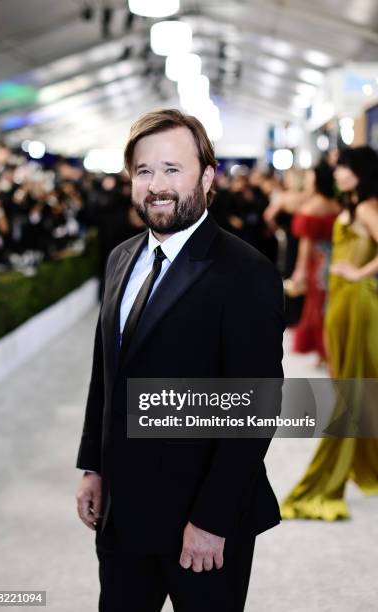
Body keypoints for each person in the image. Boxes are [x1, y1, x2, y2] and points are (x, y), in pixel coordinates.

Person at [75, 109, 284, 611]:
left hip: (204, 524)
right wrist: (93, 465)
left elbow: (253, 410)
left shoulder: (246, 272)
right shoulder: (122, 257)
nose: (157, 186)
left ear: (207, 177)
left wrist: (212, 520)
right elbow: (108, 372)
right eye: (144, 171)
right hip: (123, 516)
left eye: (173, 169)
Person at [281, 146, 378, 521]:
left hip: (358, 303)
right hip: (340, 302)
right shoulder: (355, 206)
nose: (336, 174)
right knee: (351, 384)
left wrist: (359, 272)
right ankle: (367, 462)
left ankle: (328, 476)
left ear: (360, 172)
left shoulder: (368, 207)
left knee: (351, 389)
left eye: (343, 169)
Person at [285, 162, 340, 362]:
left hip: (317, 263)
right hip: (336, 258)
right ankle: (329, 348)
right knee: (328, 304)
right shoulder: (337, 204)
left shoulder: (313, 205)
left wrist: (299, 270)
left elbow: (306, 244)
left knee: (316, 306)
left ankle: (322, 350)